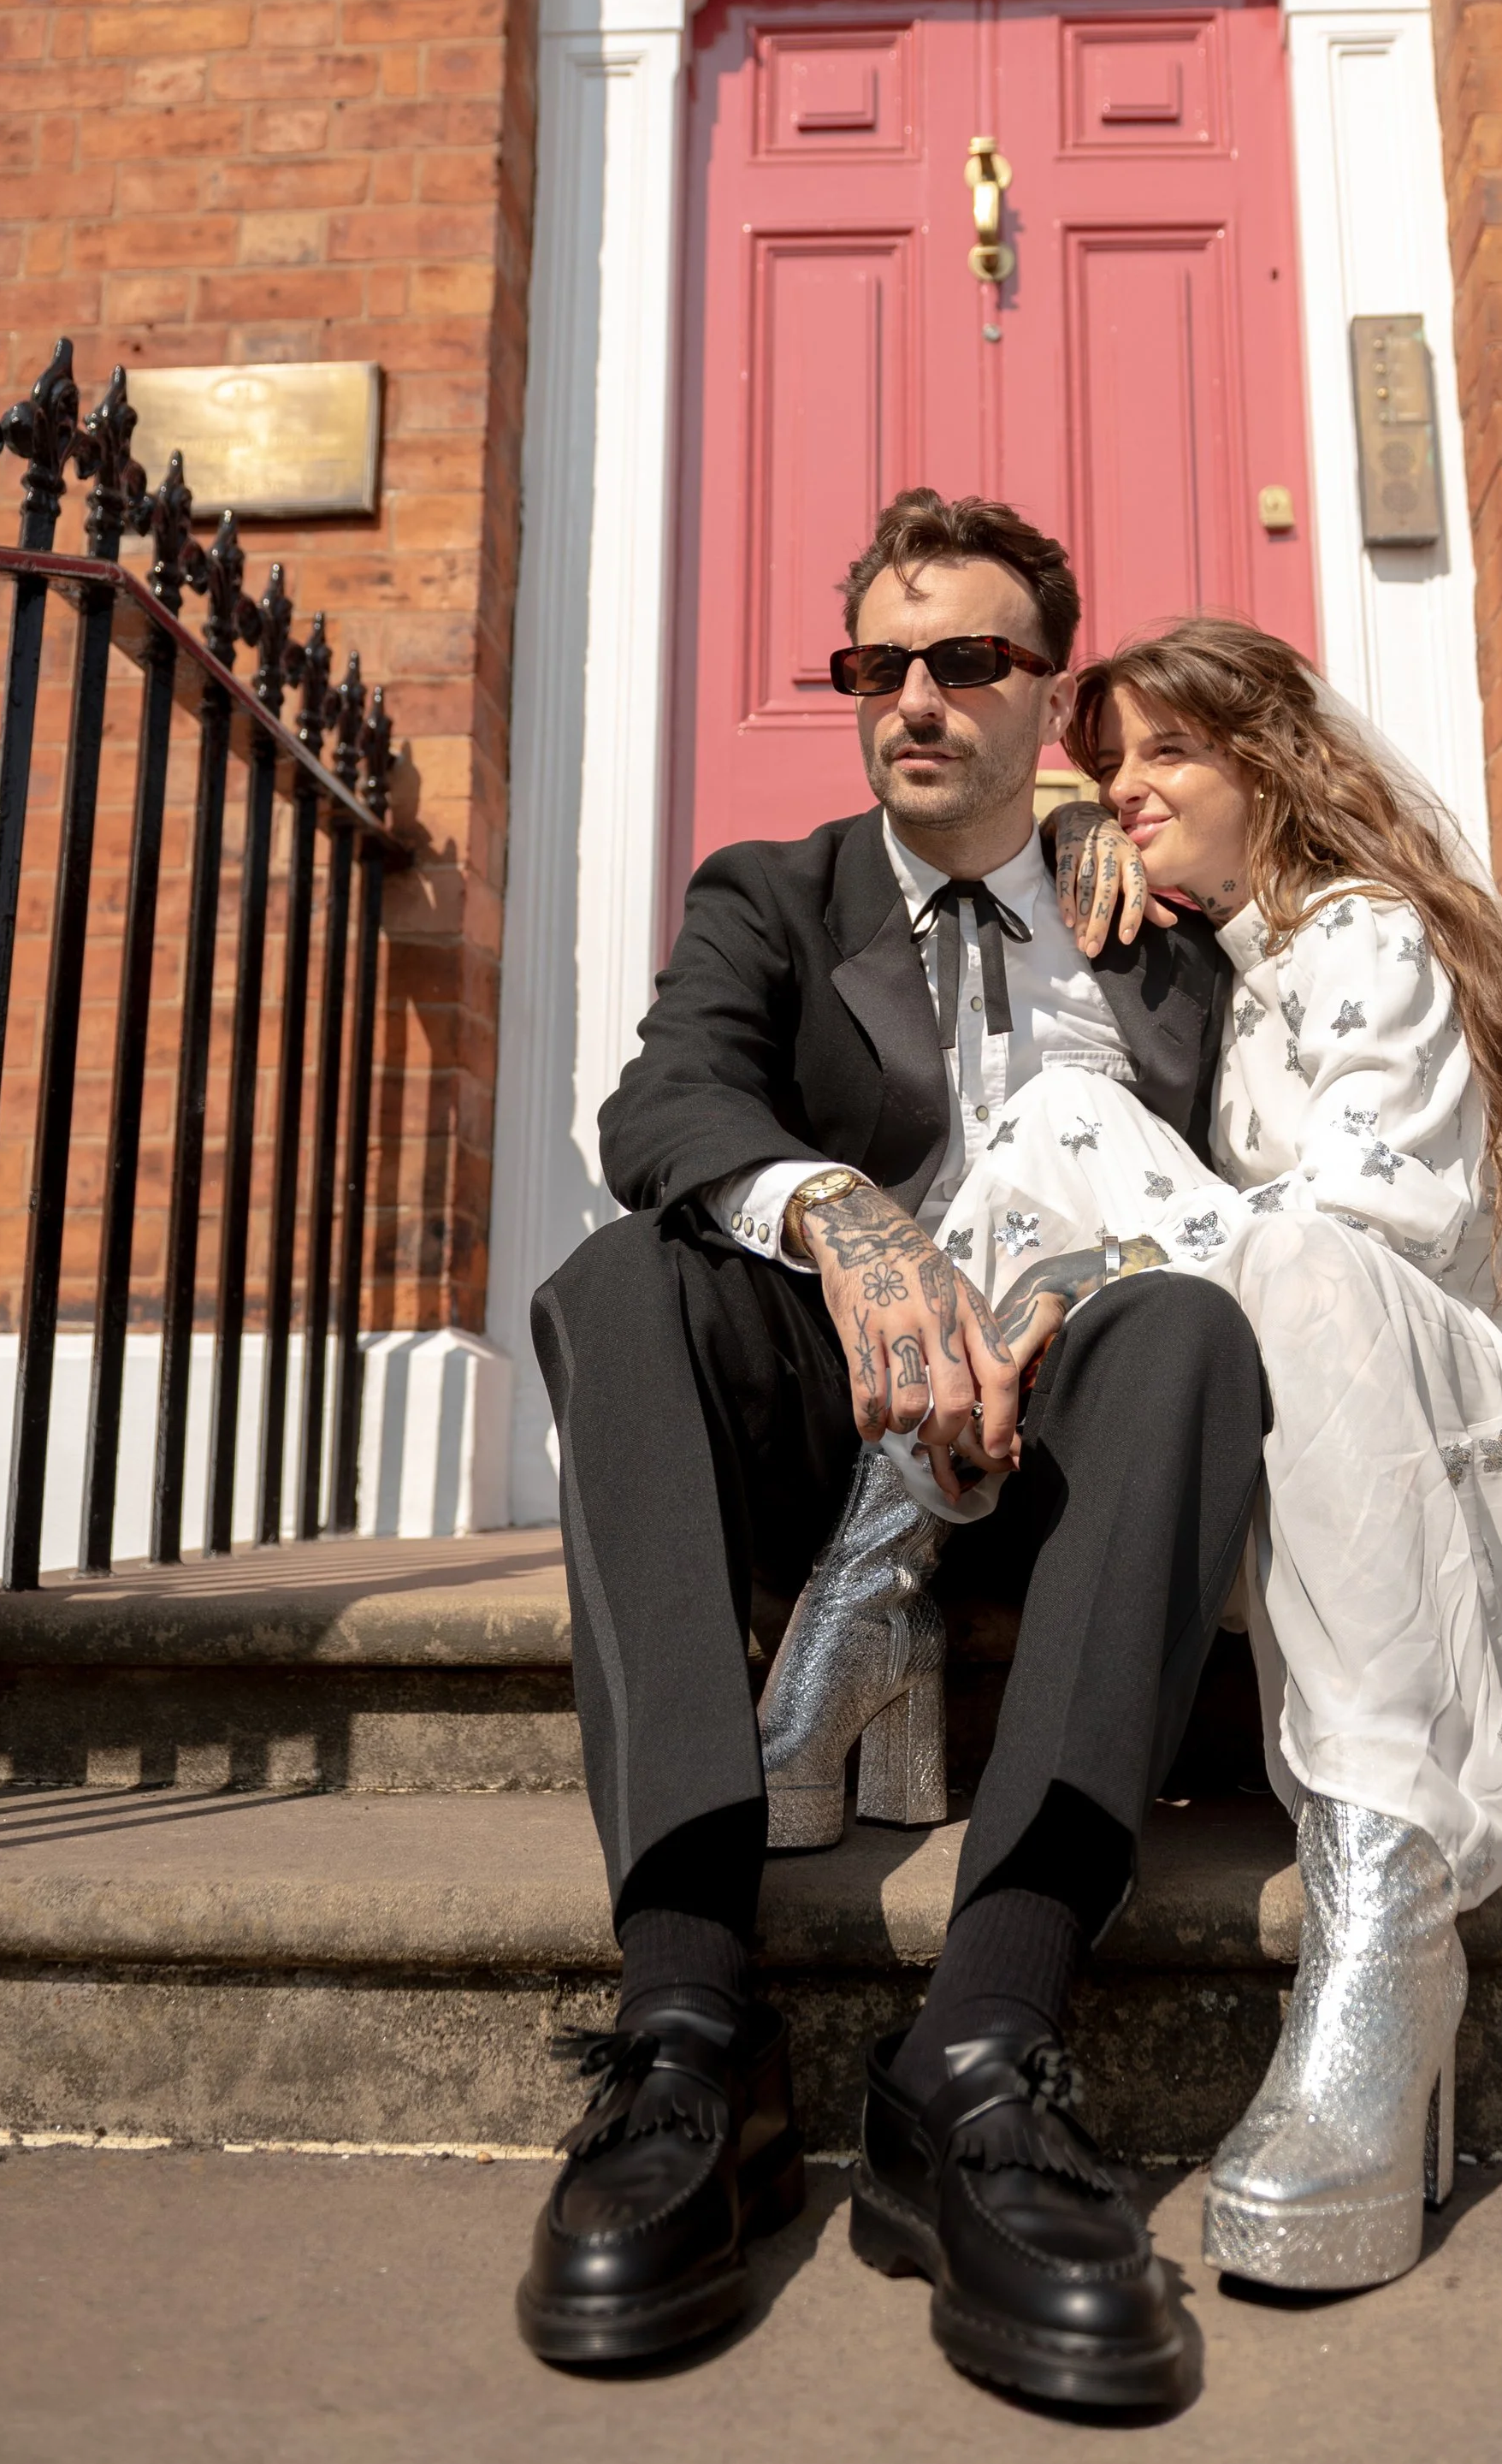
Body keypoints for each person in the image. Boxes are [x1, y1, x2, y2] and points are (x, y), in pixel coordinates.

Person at [517, 494, 1267, 2414]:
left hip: (1077, 1434)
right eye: (875, 665)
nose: (910, 700)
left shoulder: (1161, 923)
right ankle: (689, 2028)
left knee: (1186, 1328)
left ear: (1052, 698)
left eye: (965, 664)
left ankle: (978, 2058)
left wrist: (1141, 833)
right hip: (824, 1415)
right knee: (619, 1284)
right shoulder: (771, 892)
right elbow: (664, 1102)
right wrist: (840, 1215)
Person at [880, 615, 1502, 2292]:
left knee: (1226, 1219)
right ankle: (891, 1537)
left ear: (1274, 766)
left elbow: (1387, 1230)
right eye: (1108, 769)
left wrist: (1095, 1268)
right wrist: (1082, 842)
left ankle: (1386, 1919)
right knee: (1058, 1125)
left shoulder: (1373, 936)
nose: (1128, 797)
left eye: (1169, 755)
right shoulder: (1246, 973)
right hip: (1369, 1451)